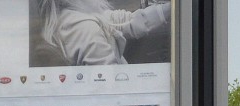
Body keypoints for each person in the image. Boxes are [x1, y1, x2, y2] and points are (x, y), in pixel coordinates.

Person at [37, 0, 171, 67]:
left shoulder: (74, 13)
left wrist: (172, 7)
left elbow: (125, 21)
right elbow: (111, 82)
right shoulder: (84, 28)